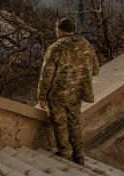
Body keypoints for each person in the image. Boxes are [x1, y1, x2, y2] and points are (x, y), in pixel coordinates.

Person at [37, 17, 99, 165]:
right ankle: (79, 155)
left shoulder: (55, 48)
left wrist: (41, 96)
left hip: (58, 94)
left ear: (60, 31)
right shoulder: (85, 44)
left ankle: (64, 153)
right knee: (74, 123)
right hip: (77, 92)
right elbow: (95, 69)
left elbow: (47, 75)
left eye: (56, 29)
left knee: (60, 123)